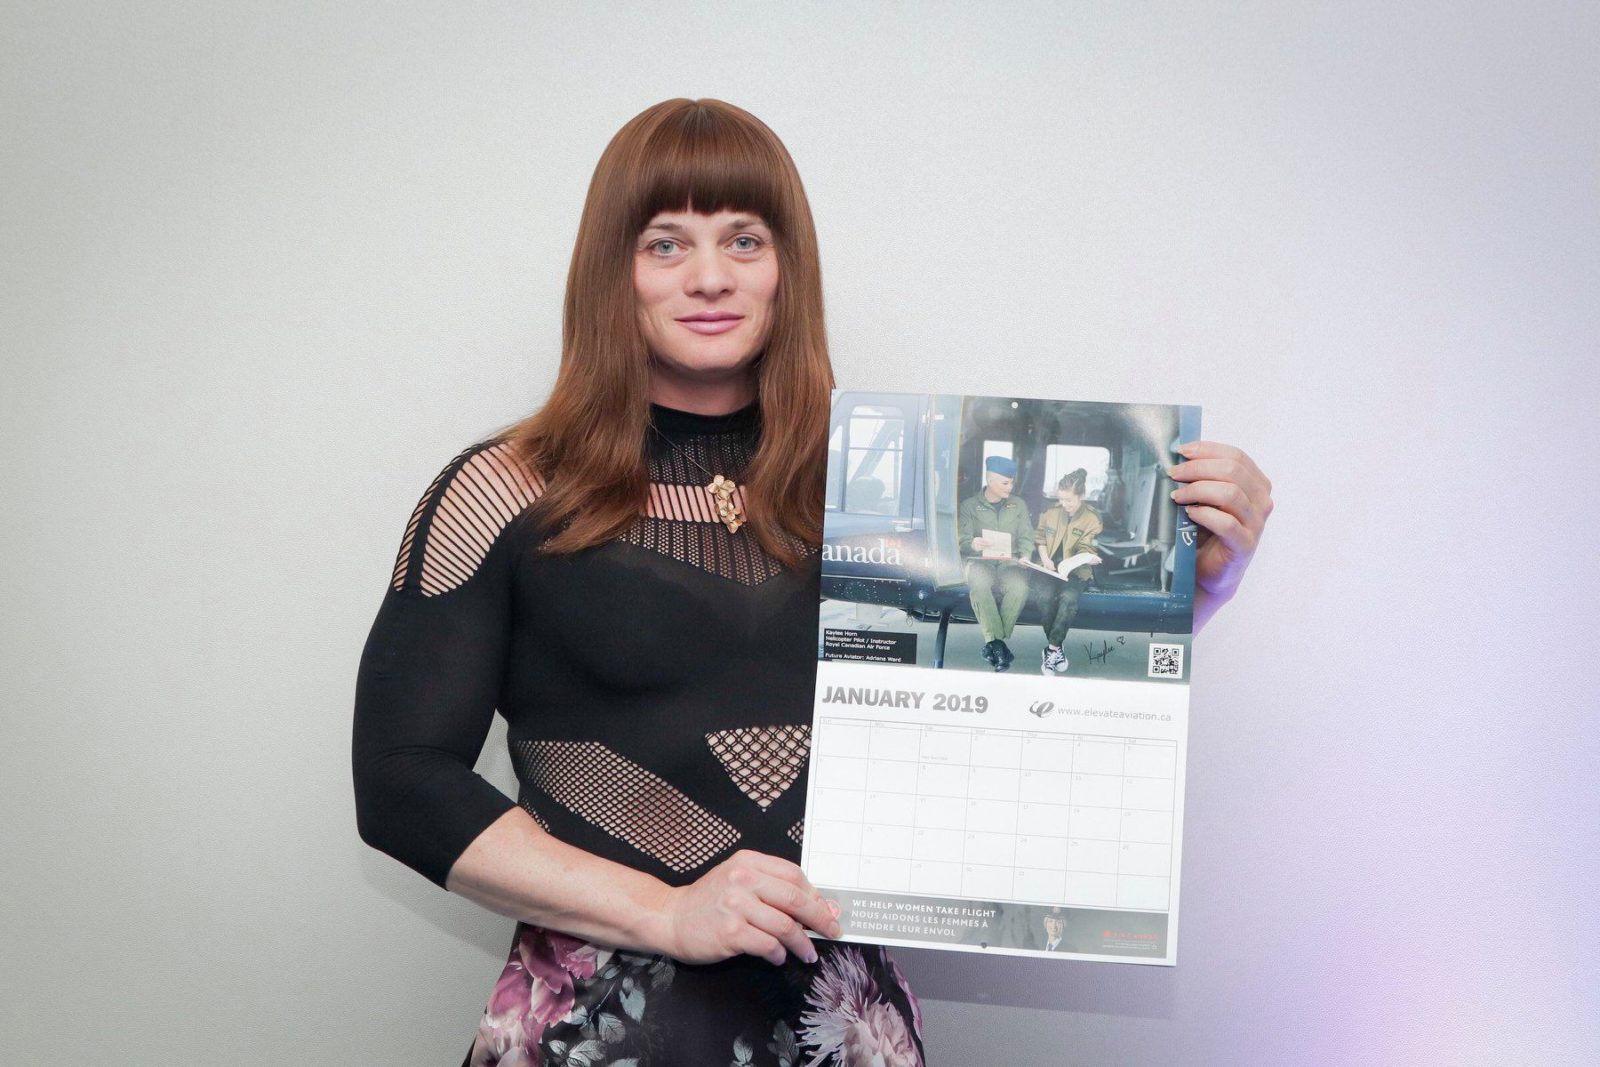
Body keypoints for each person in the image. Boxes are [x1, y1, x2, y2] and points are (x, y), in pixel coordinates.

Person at [352, 99, 926, 1067]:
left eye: (744, 239)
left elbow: (1000, 716)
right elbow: (401, 779)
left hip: (848, 1030)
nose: (710, 276)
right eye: (666, 243)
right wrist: (667, 911)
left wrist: (1182, 588)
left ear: (787, 267)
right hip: (593, 1033)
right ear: (611, 270)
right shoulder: (504, 490)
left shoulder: (888, 497)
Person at [955, 455, 1035, 671]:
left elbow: (1027, 536)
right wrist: (973, 543)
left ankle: (994, 644)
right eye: (1005, 483)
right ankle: (998, 645)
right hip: (981, 562)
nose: (1010, 487)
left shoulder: (1018, 505)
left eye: (1011, 483)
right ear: (990, 481)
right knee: (979, 586)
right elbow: (962, 539)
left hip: (1010, 564)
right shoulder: (969, 506)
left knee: (1020, 588)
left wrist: (1026, 555)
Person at [1032, 468, 1104, 675]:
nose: (1064, 504)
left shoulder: (1092, 518)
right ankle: (1056, 649)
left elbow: (1087, 547)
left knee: (1069, 598)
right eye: (1061, 499)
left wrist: (1084, 558)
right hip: (1047, 568)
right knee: (1045, 597)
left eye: (1069, 500)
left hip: (1076, 571)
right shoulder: (1051, 512)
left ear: (1081, 496)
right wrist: (1046, 559)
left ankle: (1052, 649)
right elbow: (1040, 538)